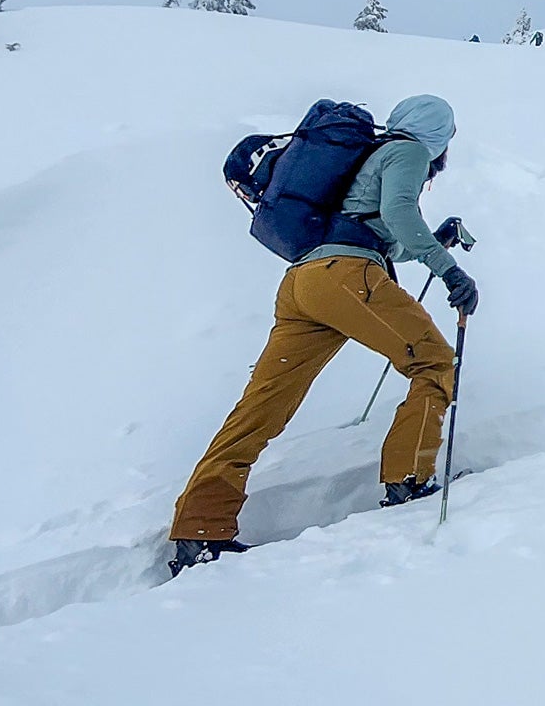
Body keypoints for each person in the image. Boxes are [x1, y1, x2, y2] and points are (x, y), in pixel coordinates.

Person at [166, 94, 481, 575]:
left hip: (303, 284)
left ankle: (199, 529)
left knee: (261, 407)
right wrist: (449, 271)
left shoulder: (372, 156)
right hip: (346, 276)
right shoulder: (411, 151)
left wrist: (432, 242)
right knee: (433, 362)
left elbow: (380, 231)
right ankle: (409, 481)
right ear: (437, 132)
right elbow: (397, 215)